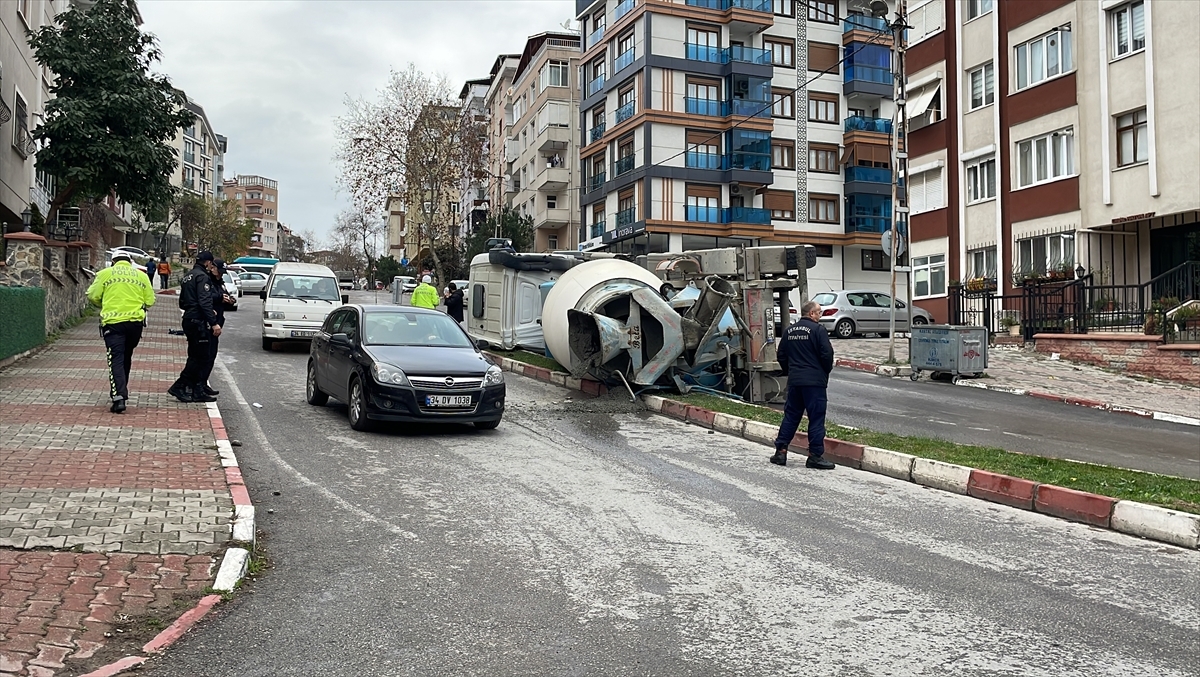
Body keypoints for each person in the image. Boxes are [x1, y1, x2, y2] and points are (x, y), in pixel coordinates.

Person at [85, 251, 156, 413]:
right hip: (135, 324)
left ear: (113, 262)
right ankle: (120, 390)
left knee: (115, 358)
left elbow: (92, 296)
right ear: (130, 262)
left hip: (113, 324)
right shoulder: (141, 276)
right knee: (126, 356)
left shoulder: (105, 274)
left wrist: (103, 304)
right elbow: (150, 301)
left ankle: (118, 397)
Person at [770, 300, 836, 469]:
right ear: (811, 314)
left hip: (795, 381)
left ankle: (780, 452)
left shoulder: (789, 331)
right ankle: (815, 455)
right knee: (816, 418)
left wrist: (789, 371)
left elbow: (782, 355)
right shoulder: (818, 330)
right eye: (819, 312)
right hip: (814, 383)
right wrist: (824, 372)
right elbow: (827, 354)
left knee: (791, 416)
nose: (820, 315)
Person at [169, 252, 221, 403]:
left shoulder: (188, 275)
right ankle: (180, 386)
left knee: (195, 355)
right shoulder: (202, 277)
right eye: (211, 264)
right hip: (198, 321)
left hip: (189, 318)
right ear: (207, 263)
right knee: (200, 357)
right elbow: (204, 301)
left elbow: (182, 302)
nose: (211, 267)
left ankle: (196, 390)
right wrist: (213, 322)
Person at [196, 258, 232, 399]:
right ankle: (199, 386)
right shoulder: (207, 281)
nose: (221, 274)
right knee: (204, 356)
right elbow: (205, 298)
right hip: (208, 322)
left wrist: (229, 300)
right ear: (213, 268)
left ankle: (204, 384)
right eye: (219, 271)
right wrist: (220, 298)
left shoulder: (219, 283)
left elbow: (224, 296)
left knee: (211, 356)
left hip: (217, 321)